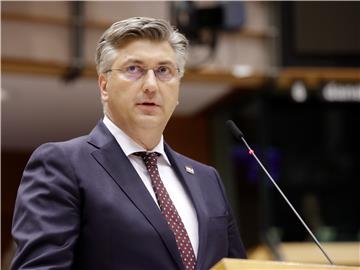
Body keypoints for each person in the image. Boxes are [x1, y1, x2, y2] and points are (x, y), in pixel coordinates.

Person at [11, 17, 246, 270]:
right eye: (134, 69)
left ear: (178, 87)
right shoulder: (62, 164)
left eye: (164, 71)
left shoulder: (207, 179)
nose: (151, 85)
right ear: (104, 86)